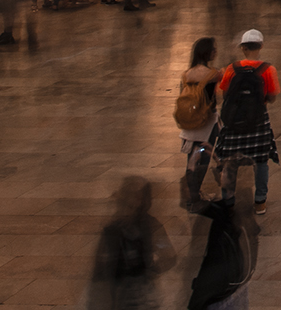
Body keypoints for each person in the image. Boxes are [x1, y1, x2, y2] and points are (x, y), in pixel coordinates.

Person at [213, 29, 280, 216]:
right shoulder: (268, 69)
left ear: (243, 48)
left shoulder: (231, 69)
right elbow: (272, 96)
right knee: (261, 162)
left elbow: (224, 94)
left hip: (234, 122)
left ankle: (228, 200)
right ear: (261, 46)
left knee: (229, 162)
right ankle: (260, 202)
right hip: (258, 120)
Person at [87, 177, 174, 310]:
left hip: (141, 295)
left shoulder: (149, 225)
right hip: (122, 295)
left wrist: (151, 270)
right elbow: (99, 267)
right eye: (130, 196)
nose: (133, 202)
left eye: (137, 198)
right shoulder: (112, 229)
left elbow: (169, 256)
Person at [176, 37, 222, 209]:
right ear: (206, 52)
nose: (215, 52)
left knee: (191, 160)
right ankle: (195, 198)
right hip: (206, 124)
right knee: (202, 159)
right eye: (213, 49)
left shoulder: (186, 74)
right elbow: (213, 100)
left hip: (189, 124)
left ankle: (192, 196)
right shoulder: (212, 74)